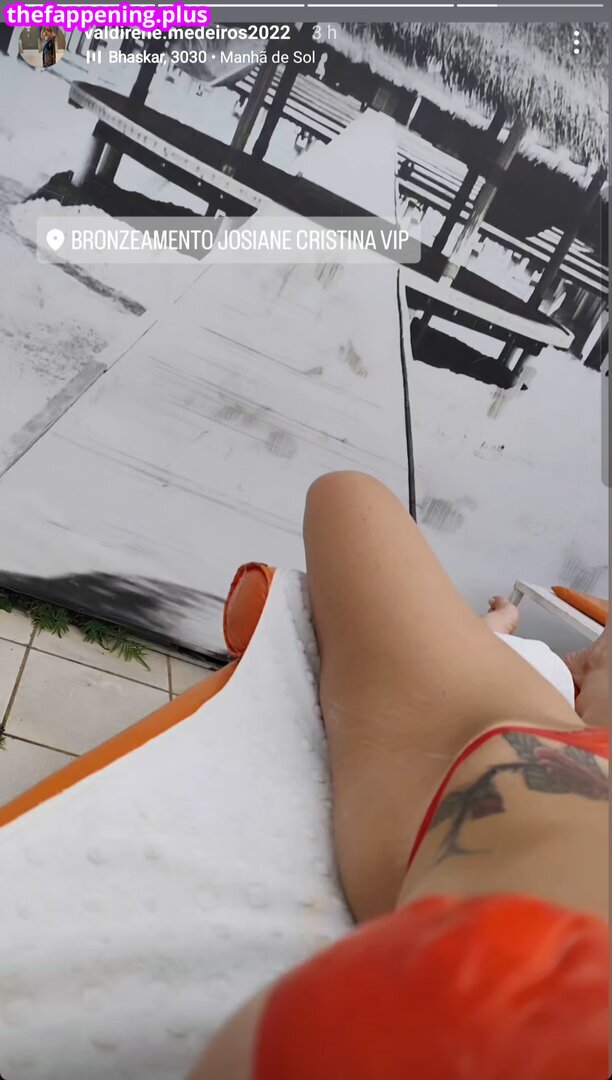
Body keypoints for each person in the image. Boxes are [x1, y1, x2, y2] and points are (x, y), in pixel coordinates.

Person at [190, 472, 608, 1080]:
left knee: (349, 495)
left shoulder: (530, 731)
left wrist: (492, 642)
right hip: (486, 988)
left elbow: (348, 500)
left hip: (480, 996)